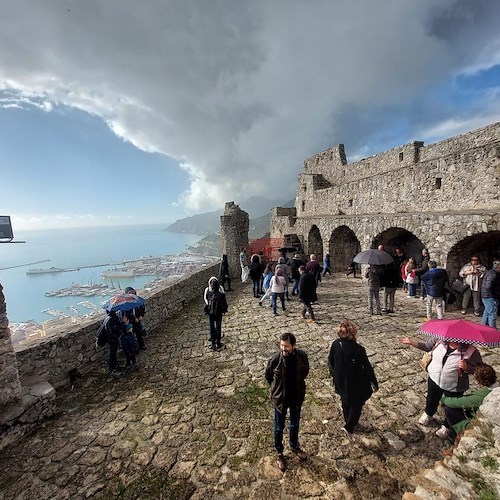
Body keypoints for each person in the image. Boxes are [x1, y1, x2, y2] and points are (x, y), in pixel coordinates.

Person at [400, 336, 482, 426]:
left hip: (454, 385)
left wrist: (467, 367)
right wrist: (411, 342)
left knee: (452, 406)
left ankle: (448, 426)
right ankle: (428, 414)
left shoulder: (471, 352)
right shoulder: (439, 340)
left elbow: (479, 369)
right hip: (434, 378)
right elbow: (427, 346)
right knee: (431, 398)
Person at [265, 332, 309, 472]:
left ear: (294, 346)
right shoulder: (275, 359)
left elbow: (305, 372)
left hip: (296, 397)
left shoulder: (302, 357)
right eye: (282, 345)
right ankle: (279, 452)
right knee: (278, 427)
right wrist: (277, 389)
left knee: (294, 424)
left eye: (287, 346)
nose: (283, 349)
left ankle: (294, 445)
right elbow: (269, 376)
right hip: (280, 399)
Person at [328, 320, 378, 441]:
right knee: (358, 402)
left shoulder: (335, 344)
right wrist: (374, 383)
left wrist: (334, 374)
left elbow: (330, 360)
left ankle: (349, 421)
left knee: (345, 400)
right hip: (354, 380)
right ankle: (349, 426)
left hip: (340, 379)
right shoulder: (358, 349)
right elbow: (367, 367)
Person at [437, 363, 498, 440]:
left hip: (480, 426)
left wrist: (443, 399)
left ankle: (459, 433)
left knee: (450, 409)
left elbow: (458, 402)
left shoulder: (482, 396)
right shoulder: (496, 387)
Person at [203, 276, 228, 350]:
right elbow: (224, 304)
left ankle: (213, 343)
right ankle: (218, 342)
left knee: (212, 327)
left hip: (211, 313)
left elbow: (206, 301)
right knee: (218, 326)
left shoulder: (209, 293)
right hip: (219, 312)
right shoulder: (221, 294)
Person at [481, 260, 500, 329]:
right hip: (489, 297)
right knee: (492, 314)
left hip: (486, 296)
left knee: (487, 312)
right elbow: (488, 286)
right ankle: (492, 330)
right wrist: (493, 296)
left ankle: (483, 327)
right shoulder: (493, 274)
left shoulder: (491, 273)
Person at [106, 311, 125, 376]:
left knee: (114, 352)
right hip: (112, 339)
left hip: (114, 338)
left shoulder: (111, 318)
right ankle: (112, 369)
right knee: (112, 353)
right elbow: (113, 330)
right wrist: (122, 323)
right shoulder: (110, 320)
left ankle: (115, 365)